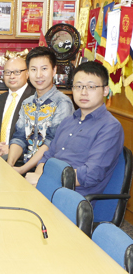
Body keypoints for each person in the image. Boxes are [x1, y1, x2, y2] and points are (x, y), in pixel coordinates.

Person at [24, 61, 124, 197]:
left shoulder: (110, 127)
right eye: (78, 86)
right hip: (47, 189)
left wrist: (44, 180)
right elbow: (47, 157)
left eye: (91, 87)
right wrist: (38, 182)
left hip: (74, 198)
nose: (83, 92)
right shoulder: (68, 121)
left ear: (105, 90)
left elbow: (90, 175)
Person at [7, 46, 74, 175]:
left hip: (49, 170)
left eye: (44, 69)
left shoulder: (62, 103)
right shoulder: (27, 103)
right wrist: (9, 165)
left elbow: (52, 143)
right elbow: (19, 138)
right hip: (25, 165)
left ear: (54, 70)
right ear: (28, 73)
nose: (39, 75)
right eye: (33, 69)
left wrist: (22, 170)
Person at [0, 56, 35, 161]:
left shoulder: (35, 99)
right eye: (7, 72)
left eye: (17, 72)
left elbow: (38, 137)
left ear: (27, 74)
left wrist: (13, 150)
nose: (12, 76)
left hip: (22, 161)